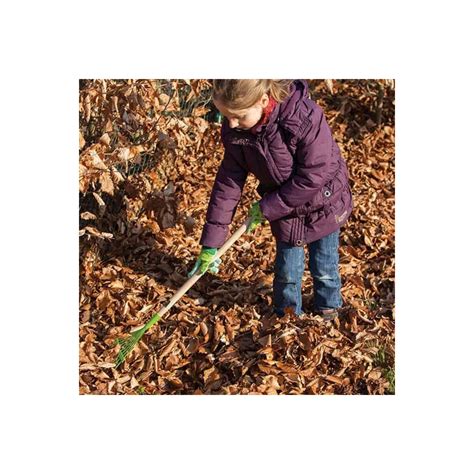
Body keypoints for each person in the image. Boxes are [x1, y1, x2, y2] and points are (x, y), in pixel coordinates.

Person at [188, 80, 353, 320]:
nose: (232, 123)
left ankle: (328, 308)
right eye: (226, 116)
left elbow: (312, 176)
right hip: (285, 208)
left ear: (263, 101)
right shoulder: (237, 131)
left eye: (238, 116)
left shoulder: (302, 118)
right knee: (287, 269)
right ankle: (286, 316)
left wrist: (268, 207)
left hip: (323, 202)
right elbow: (228, 183)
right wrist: (212, 243)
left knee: (324, 266)